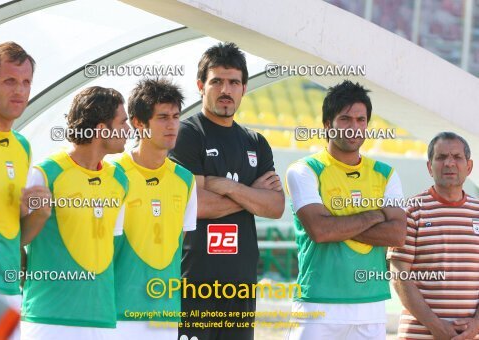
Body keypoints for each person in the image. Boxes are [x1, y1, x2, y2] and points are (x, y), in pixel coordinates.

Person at [169, 42, 284, 340]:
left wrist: (230, 187)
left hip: (240, 284)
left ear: (244, 88)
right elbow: (195, 204)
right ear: (200, 85)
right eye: (216, 81)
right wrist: (250, 196)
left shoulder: (255, 142)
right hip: (194, 282)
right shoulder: (186, 134)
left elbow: (275, 207)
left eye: (234, 82)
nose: (226, 90)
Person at [285, 80, 406, 340]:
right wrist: (375, 215)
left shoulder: (386, 174)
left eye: (361, 120)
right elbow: (320, 230)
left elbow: (397, 234)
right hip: (317, 302)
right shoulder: (304, 170)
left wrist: (336, 224)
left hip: (371, 305)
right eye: (345, 119)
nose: (354, 127)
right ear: (328, 125)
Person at [20, 86, 130, 340]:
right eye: (123, 122)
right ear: (102, 130)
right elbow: (11, 241)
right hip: (48, 321)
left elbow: (110, 247)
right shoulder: (44, 174)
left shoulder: (120, 180)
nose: (129, 130)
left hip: (101, 321)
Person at [113, 78, 197, 340]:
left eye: (175, 116)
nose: (172, 125)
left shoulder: (185, 179)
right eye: (162, 117)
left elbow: (177, 243)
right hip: (117, 314)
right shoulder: (113, 174)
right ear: (138, 122)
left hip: (166, 317)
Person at [0, 42, 49, 312]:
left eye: (26, 82)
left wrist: (38, 213)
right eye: (9, 81)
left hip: (9, 290)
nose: (20, 91)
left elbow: (15, 235)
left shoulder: (22, 146)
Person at [389, 132, 479, 340]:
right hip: (418, 335)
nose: (449, 163)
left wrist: (476, 325)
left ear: (469, 166)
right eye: (441, 157)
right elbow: (399, 274)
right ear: (430, 167)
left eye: (457, 157)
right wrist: (434, 325)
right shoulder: (411, 210)